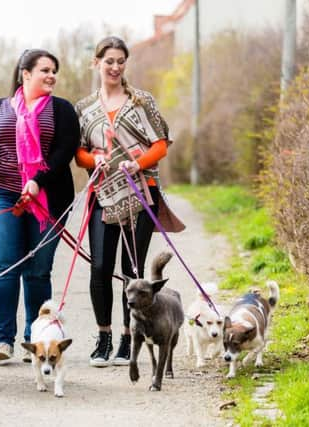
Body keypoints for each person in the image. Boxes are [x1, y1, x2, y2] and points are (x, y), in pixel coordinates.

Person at [74, 36, 184, 367]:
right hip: (103, 194)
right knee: (100, 267)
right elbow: (79, 153)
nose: (115, 66)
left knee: (132, 269)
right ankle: (104, 337)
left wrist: (137, 163)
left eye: (121, 60)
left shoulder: (141, 101)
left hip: (141, 190)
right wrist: (95, 162)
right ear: (96, 63)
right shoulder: (84, 108)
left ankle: (127, 336)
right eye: (109, 60)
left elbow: (161, 144)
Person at [0, 49, 80, 363]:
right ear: (25, 73)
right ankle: (3, 340)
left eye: (54, 71)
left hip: (47, 198)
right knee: (4, 265)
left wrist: (37, 181)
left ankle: (36, 340)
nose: (51, 76)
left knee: (37, 271)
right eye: (45, 70)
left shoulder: (61, 110)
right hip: (4, 195)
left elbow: (64, 150)